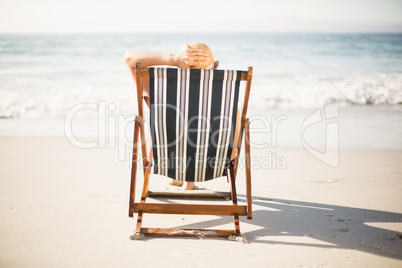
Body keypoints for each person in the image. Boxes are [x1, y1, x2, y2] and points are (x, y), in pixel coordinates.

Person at [124, 42, 219, 190]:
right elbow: (232, 152)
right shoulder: (222, 96)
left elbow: (129, 58)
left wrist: (173, 59)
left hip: (168, 162)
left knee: (176, 129)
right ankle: (189, 181)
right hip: (212, 166)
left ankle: (183, 177)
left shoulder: (161, 92)